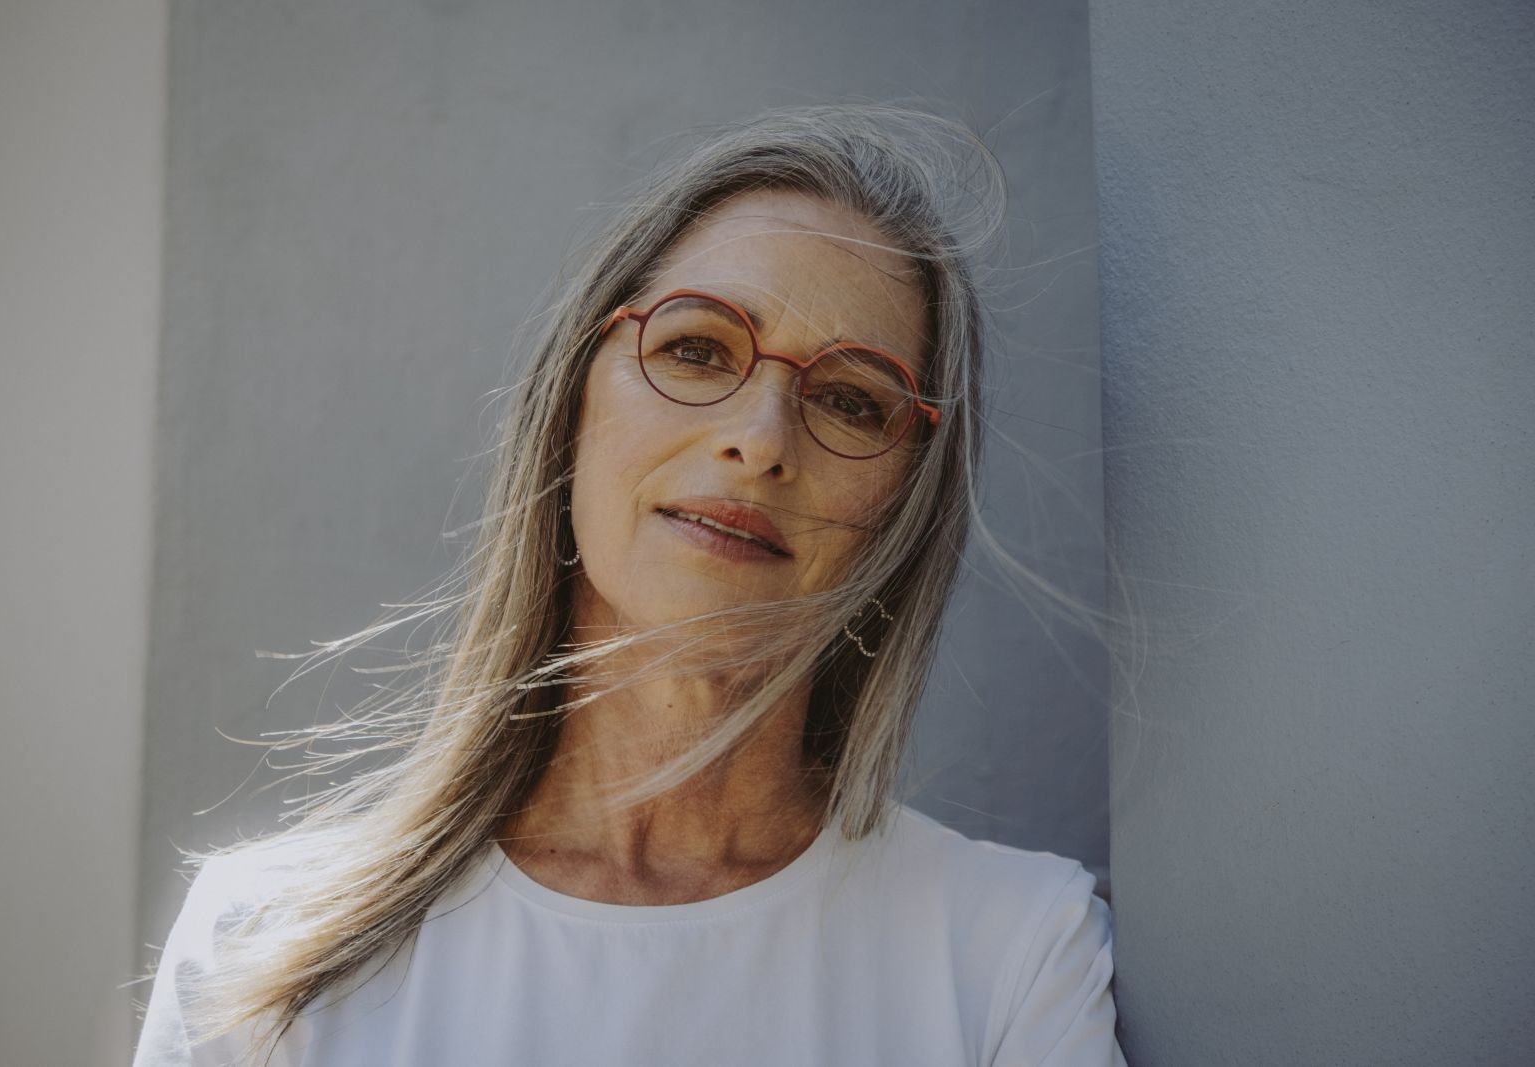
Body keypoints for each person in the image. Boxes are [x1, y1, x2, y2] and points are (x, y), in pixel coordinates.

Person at [133, 105, 1125, 1066]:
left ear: (906, 501)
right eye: (696, 348)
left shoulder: (1009, 955)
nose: (760, 440)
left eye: (849, 400)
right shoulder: (260, 953)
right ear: (573, 400)